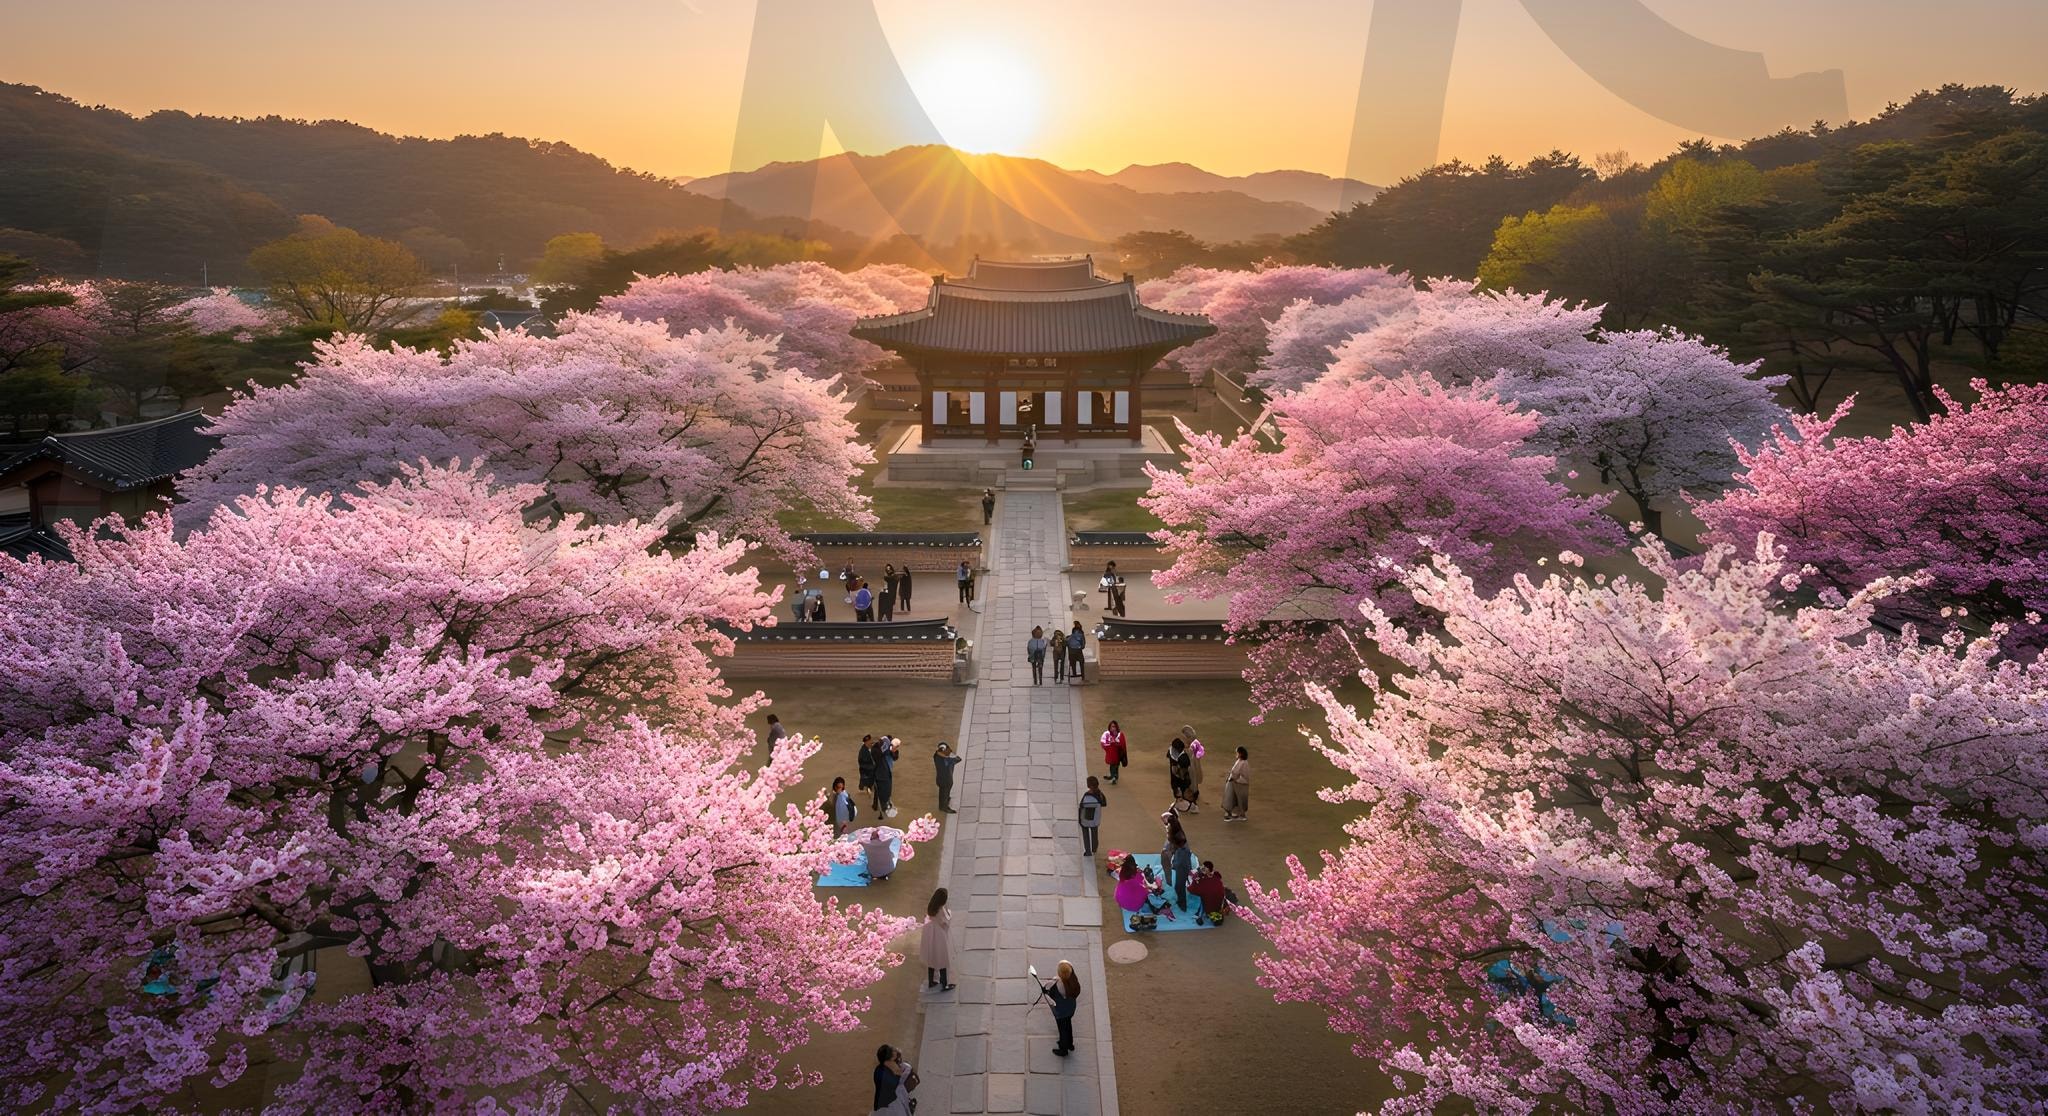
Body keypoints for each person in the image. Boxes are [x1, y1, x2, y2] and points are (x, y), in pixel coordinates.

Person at [1042, 960, 1083, 1057]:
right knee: (1068, 1025)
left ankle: (1063, 1049)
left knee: (1062, 1029)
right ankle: (1070, 1044)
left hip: (1060, 1011)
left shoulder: (1056, 984)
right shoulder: (1073, 981)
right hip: (1070, 1008)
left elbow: (1048, 994)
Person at [921, 888, 955, 991]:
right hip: (939, 935)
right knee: (942, 958)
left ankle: (932, 981)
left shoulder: (931, 907)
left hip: (929, 933)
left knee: (932, 957)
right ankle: (944, 984)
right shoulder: (941, 910)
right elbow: (945, 922)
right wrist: (950, 913)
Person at [1160, 809, 1192, 911]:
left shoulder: (1177, 838)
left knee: (1179, 885)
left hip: (1181, 860)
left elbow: (1174, 848)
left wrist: (1171, 856)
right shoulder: (1176, 829)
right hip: (1180, 856)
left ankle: (1182, 905)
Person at [872, 1044, 914, 1116]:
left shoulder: (881, 1068)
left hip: (890, 1103)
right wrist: (900, 1074)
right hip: (887, 1106)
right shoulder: (881, 1072)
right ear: (890, 1058)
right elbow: (895, 1083)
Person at [1078, 776, 1107, 856]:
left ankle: (1088, 851)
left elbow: (1081, 806)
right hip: (1095, 819)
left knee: (1085, 834)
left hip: (1085, 819)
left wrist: (1079, 819)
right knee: (1094, 834)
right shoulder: (1100, 794)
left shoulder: (1086, 795)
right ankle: (1094, 848)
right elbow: (1104, 803)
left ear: (1088, 785)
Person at [873, 736, 900, 819]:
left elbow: (895, 757)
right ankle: (883, 808)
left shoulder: (890, 749)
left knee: (884, 791)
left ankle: (880, 805)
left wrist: (893, 751)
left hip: (886, 772)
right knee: (882, 791)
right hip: (881, 774)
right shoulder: (879, 751)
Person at [1181, 725, 1205, 814]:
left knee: (1191, 782)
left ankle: (1191, 801)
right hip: (1191, 768)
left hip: (1190, 769)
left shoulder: (1191, 749)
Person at [932, 741, 961, 814]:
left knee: (945, 792)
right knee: (944, 792)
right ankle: (943, 807)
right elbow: (958, 759)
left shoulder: (937, 756)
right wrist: (950, 755)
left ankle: (946, 799)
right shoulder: (945, 759)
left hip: (944, 778)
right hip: (944, 780)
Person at [1224, 746, 1250, 821]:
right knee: (1233, 798)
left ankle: (1241, 815)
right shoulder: (1239, 761)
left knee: (1240, 800)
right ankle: (1233, 813)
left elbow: (1245, 776)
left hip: (1240, 785)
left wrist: (1236, 780)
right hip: (1234, 784)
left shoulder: (1244, 763)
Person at [1167, 737, 1192, 812]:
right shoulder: (1183, 758)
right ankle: (1182, 802)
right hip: (1178, 776)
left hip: (1176, 775)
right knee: (1180, 786)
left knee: (1177, 786)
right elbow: (1181, 772)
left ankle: (1181, 801)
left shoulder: (1171, 751)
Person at [1099, 720, 1127, 785]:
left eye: (1114, 726)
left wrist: (1115, 743)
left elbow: (1122, 745)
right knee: (1112, 766)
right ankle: (1112, 776)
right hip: (1111, 755)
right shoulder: (1108, 734)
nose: (1113, 728)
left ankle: (1115, 778)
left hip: (1117, 755)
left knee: (1115, 767)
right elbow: (1105, 743)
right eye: (1111, 727)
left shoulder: (1120, 735)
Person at [857, 734, 878, 810]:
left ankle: (867, 791)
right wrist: (872, 767)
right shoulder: (862, 752)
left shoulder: (871, 747)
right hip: (866, 772)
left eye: (871, 740)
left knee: (869, 784)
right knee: (867, 785)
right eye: (869, 741)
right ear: (865, 742)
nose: (871, 742)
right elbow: (862, 764)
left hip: (871, 771)